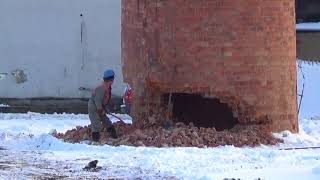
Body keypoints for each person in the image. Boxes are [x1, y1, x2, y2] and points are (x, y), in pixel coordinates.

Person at [88, 69, 118, 142]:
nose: (113, 81)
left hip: (101, 106)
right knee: (96, 123)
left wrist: (105, 108)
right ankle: (96, 140)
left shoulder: (108, 87)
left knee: (107, 121)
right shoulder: (101, 87)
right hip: (94, 107)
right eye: (113, 78)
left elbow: (105, 100)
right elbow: (97, 100)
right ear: (110, 79)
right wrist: (101, 110)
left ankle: (114, 136)